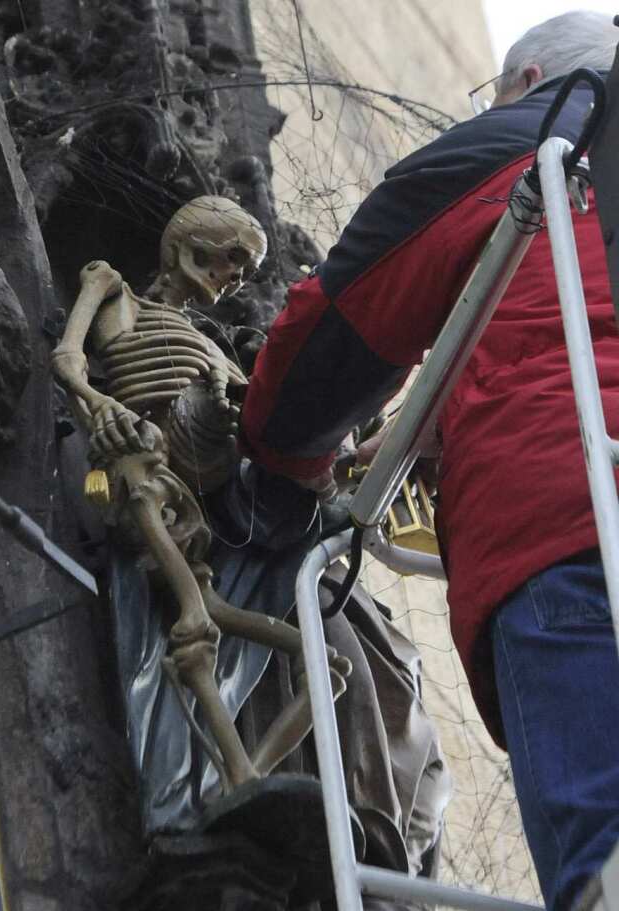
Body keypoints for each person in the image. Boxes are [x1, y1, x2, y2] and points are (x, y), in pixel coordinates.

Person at [240, 11, 619, 909]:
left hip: (566, 521)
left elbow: (346, 323)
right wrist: (441, 408)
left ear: (527, 85)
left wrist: (282, 457)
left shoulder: (529, 137)